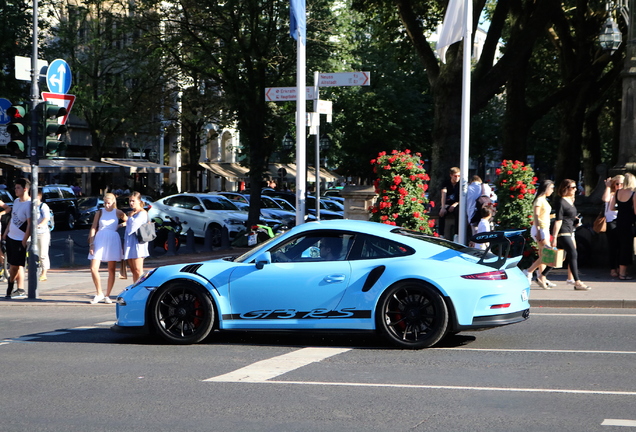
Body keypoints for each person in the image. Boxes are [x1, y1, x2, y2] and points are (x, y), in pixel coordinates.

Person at [88, 193, 128, 304]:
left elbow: (128, 221)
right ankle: (99, 293)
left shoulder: (118, 212)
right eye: (105, 203)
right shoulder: (100, 212)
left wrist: (121, 225)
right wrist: (91, 243)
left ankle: (107, 295)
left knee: (111, 269)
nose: (106, 205)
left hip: (112, 238)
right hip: (100, 237)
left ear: (113, 202)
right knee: (93, 268)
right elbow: (93, 228)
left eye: (108, 203)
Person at [552, 179, 590, 290]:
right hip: (563, 231)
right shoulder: (561, 201)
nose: (575, 189)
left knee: (562, 257)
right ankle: (577, 282)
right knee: (573, 254)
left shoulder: (570, 200)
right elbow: (558, 220)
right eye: (572, 187)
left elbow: (569, 216)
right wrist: (554, 237)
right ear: (566, 188)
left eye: (575, 187)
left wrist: (575, 221)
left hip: (570, 230)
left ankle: (542, 275)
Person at [1, 178, 31, 299]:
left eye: (18, 187)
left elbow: (29, 224)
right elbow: (13, 219)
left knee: (16, 265)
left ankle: (16, 287)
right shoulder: (16, 201)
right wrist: (5, 233)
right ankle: (12, 286)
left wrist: (24, 240)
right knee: (12, 264)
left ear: (25, 189)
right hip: (10, 237)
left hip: (20, 239)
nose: (15, 190)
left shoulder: (29, 204)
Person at [524, 180, 556, 289]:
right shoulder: (539, 200)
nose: (552, 190)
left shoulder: (543, 200)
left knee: (543, 254)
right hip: (541, 229)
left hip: (544, 228)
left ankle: (541, 277)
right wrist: (538, 231)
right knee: (548, 254)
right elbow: (536, 216)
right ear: (546, 188)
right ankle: (529, 271)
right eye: (551, 188)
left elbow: (542, 215)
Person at [609, 172, 636, 280]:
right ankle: (623, 273)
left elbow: (611, 208)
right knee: (626, 247)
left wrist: (621, 209)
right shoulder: (633, 194)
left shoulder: (618, 192)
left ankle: (620, 271)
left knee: (620, 247)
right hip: (629, 223)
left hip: (619, 221)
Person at [123, 191, 150, 283]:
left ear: (139, 201)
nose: (131, 203)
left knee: (138, 270)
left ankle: (141, 289)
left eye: (133, 201)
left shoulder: (142, 213)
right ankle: (135, 288)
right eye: (130, 201)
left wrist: (130, 217)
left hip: (138, 242)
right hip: (130, 242)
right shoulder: (133, 213)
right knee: (133, 270)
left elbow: (133, 227)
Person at [601, 175, 623, 278]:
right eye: (617, 184)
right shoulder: (611, 194)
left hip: (622, 221)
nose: (619, 186)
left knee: (622, 246)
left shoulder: (624, 194)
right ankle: (613, 268)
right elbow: (605, 199)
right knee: (613, 246)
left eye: (621, 184)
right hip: (611, 221)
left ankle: (620, 268)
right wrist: (608, 187)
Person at [438, 167, 460, 240]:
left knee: (458, 212)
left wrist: (455, 204)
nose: (457, 178)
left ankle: (456, 234)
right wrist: (443, 207)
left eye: (459, 176)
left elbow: (463, 197)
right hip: (448, 203)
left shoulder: (461, 184)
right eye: (455, 176)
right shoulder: (446, 183)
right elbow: (443, 194)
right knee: (441, 213)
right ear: (451, 175)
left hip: (457, 204)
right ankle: (441, 234)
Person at [35, 190, 52, 281]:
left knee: (43, 254)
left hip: (42, 233)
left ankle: (44, 273)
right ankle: (36, 270)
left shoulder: (43, 206)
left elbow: (46, 217)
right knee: (34, 253)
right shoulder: (30, 206)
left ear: (38, 197)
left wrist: (40, 225)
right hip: (32, 233)